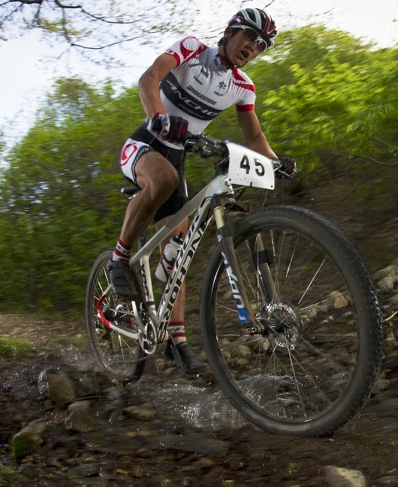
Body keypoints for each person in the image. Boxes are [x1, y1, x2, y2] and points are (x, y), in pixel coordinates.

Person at [108, 8, 295, 373]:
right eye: (249, 37)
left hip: (177, 157)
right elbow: (150, 78)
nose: (252, 48)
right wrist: (158, 116)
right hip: (145, 144)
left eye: (260, 46)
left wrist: (277, 161)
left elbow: (254, 136)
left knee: (180, 251)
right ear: (229, 31)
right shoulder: (192, 49)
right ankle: (119, 256)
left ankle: (176, 340)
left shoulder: (243, 87)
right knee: (164, 180)